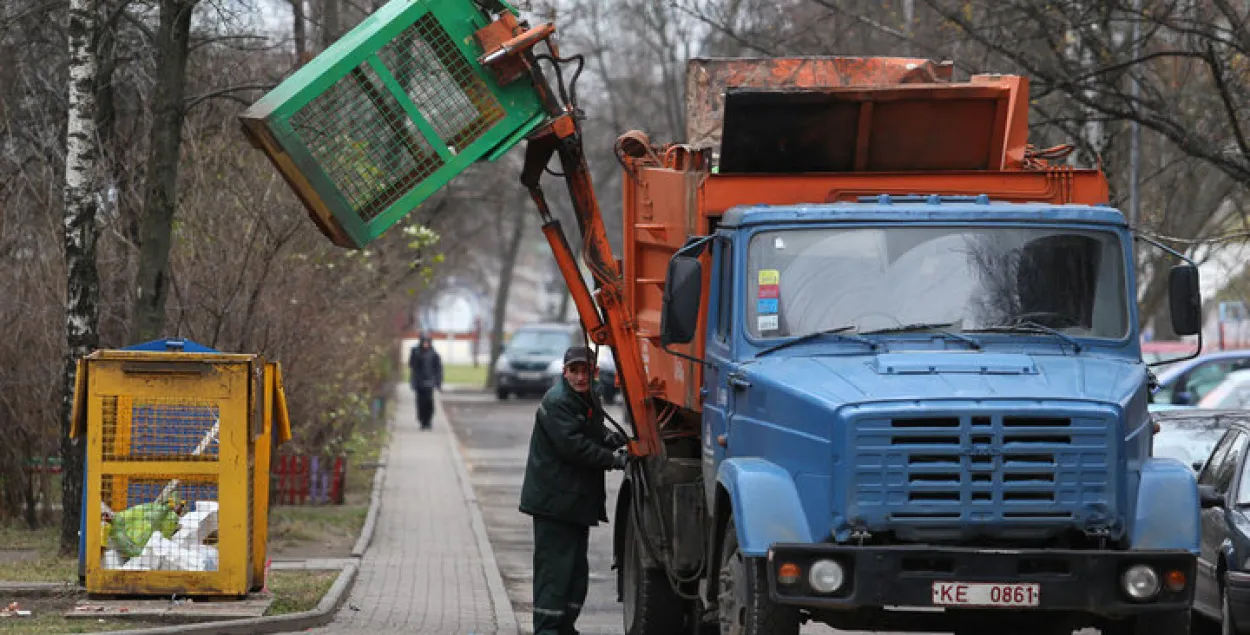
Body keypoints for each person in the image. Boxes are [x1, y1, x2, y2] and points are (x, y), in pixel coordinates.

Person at [519, 346, 628, 635]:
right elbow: (574, 447)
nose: (580, 377)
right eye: (574, 371)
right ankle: (547, 629)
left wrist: (613, 438)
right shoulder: (557, 402)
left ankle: (565, 627)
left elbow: (591, 432)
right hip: (555, 503)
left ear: (592, 372)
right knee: (554, 572)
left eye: (585, 371)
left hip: (572, 503)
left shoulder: (586, 397)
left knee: (574, 573)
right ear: (564, 372)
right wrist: (614, 460)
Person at [408, 335, 443, 429]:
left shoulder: (434, 354)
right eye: (424, 342)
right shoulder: (416, 353)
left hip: (430, 381)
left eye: (427, 342)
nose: (426, 344)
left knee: (429, 401)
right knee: (420, 402)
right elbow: (412, 367)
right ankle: (422, 420)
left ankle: (428, 420)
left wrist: (438, 382)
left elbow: (438, 369)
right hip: (419, 382)